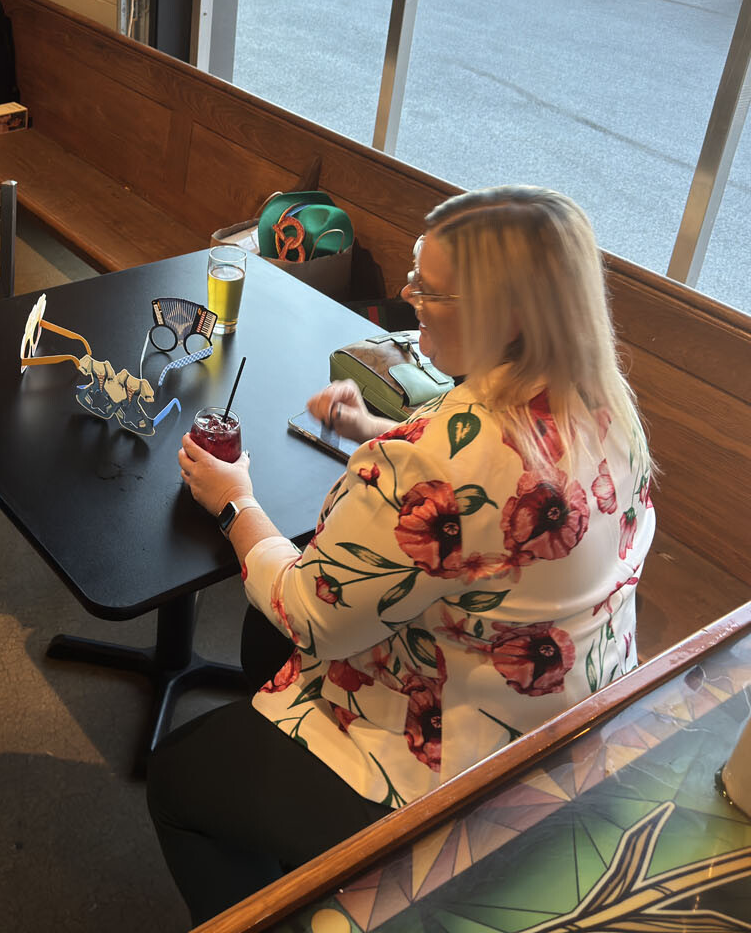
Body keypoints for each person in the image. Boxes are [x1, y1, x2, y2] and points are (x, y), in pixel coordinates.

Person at [147, 185, 655, 923]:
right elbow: (485, 512)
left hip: (456, 776)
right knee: (265, 643)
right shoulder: (605, 401)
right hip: (572, 721)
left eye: (432, 290)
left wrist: (235, 501)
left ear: (508, 316)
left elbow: (310, 612)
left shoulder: (432, 463)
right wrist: (369, 434)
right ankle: (298, 843)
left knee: (177, 777)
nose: (411, 297)